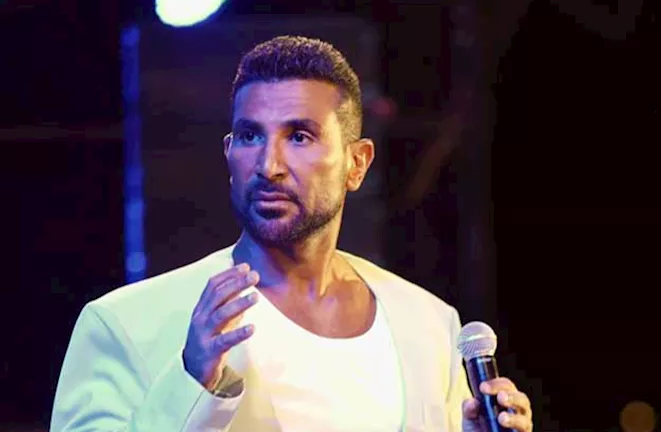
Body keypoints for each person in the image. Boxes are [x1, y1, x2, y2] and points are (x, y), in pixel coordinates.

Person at [50, 35, 533, 432]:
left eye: (299, 136)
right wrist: (191, 381)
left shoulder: (428, 325)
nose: (269, 165)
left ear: (357, 162)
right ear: (228, 152)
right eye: (250, 136)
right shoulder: (127, 323)